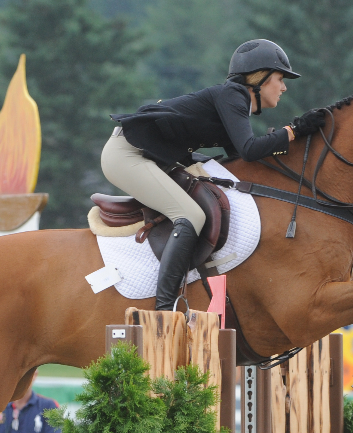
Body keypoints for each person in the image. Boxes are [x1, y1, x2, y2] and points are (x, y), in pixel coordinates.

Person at [103, 39, 329, 311]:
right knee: (190, 216)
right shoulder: (234, 95)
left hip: (145, 156)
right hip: (127, 155)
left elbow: (242, 158)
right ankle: (164, 309)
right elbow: (249, 150)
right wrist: (294, 130)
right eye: (280, 79)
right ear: (259, 78)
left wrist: (296, 138)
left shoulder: (232, 101)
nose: (284, 87)